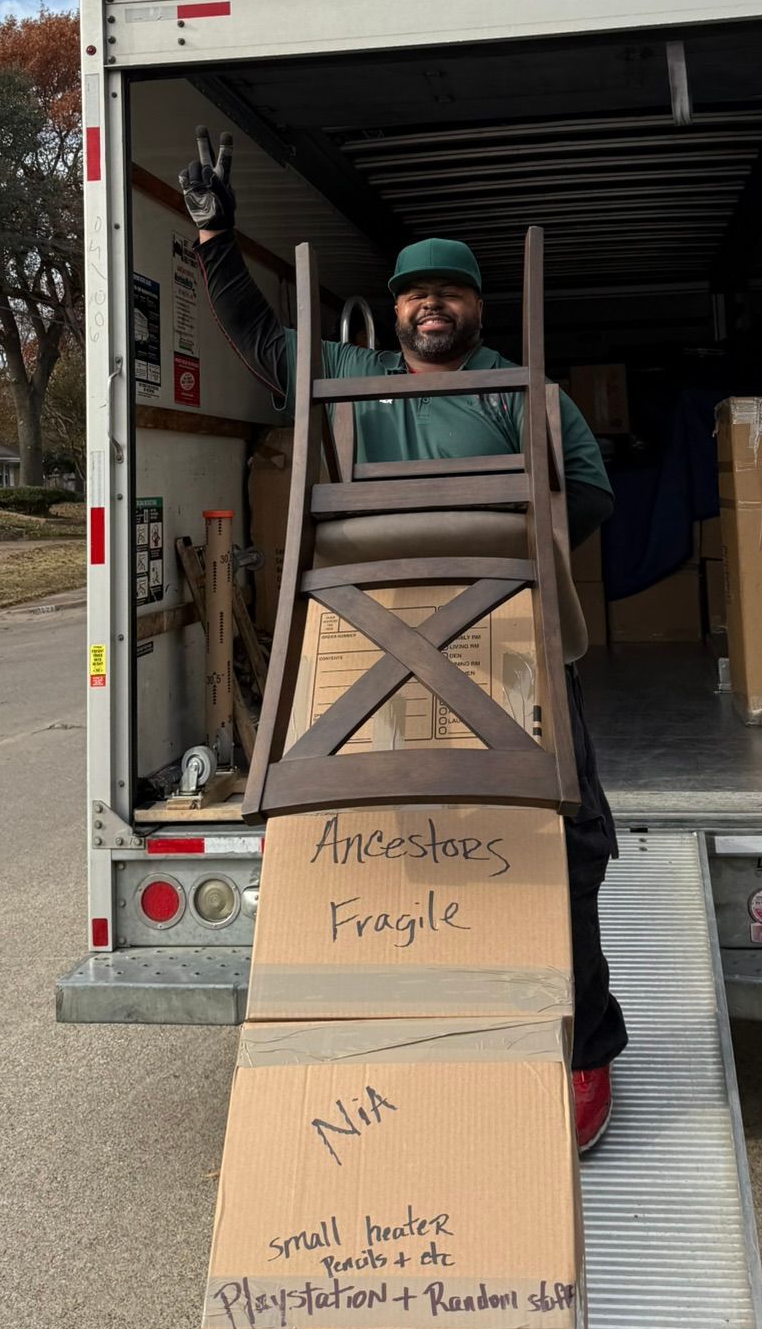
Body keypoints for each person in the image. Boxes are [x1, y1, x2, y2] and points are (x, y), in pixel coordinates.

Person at [181, 127, 627, 1152]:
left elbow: (590, 495)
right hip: (366, 652)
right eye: (416, 291)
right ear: (396, 309)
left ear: (478, 307)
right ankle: (398, 1026)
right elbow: (255, 333)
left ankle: (586, 1046)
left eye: (452, 292)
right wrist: (213, 236)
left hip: (510, 643)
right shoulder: (344, 374)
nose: (434, 304)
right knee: (377, 845)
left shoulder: (531, 393)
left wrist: (510, 567)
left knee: (570, 841)